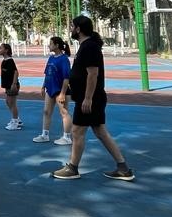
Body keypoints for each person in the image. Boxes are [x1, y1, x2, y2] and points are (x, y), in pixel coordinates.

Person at [52, 16, 135, 181]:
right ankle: (123, 168)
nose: (70, 29)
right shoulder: (86, 46)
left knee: (77, 131)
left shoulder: (89, 47)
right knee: (100, 132)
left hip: (89, 99)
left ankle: (73, 168)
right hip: (90, 98)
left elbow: (93, 74)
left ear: (79, 29)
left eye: (72, 26)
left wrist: (88, 98)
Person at [34, 37, 73, 145]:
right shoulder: (51, 58)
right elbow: (48, 73)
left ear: (56, 45)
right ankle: (44, 135)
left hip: (60, 90)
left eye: (50, 43)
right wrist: (43, 86)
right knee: (46, 112)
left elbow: (66, 78)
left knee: (64, 112)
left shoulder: (64, 59)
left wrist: (62, 93)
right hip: (50, 89)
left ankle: (67, 137)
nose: (48, 45)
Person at [0, 43, 22, 130]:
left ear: (6, 50)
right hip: (8, 86)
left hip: (12, 85)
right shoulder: (4, 61)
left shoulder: (10, 61)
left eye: (1, 48)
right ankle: (17, 119)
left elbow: (16, 72)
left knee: (12, 103)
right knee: (9, 102)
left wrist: (14, 84)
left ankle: (15, 122)